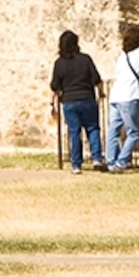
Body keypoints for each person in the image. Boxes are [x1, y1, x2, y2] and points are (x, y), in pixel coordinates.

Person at [49, 30, 103, 172]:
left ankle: (76, 164)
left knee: (74, 132)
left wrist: (51, 103)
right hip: (87, 98)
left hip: (69, 101)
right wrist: (101, 93)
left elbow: (55, 85)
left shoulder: (59, 63)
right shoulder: (85, 59)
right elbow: (96, 79)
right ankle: (97, 158)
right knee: (93, 128)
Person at [104, 21, 139, 172]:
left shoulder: (122, 56)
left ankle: (111, 161)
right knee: (134, 133)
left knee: (113, 130)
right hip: (131, 94)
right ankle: (122, 161)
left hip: (116, 95)